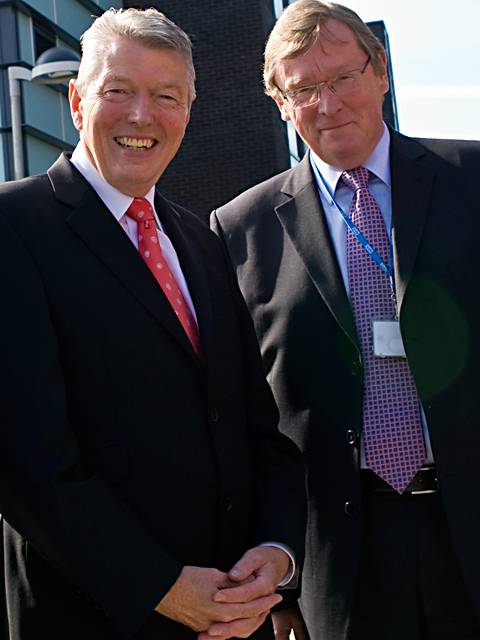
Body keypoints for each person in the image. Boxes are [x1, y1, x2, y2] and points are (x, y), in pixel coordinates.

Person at [0, 8, 306, 640]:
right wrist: (159, 585)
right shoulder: (15, 228)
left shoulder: (200, 240)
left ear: (188, 114)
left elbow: (255, 423)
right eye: (119, 91)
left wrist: (276, 554)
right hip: (91, 615)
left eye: (166, 96)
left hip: (228, 617)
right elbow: (26, 458)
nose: (142, 116)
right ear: (79, 102)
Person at [211, 1, 480, 639]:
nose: (327, 105)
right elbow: (245, 418)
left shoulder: (471, 180)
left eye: (342, 79)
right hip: (339, 558)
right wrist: (280, 580)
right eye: (303, 88)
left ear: (380, 70)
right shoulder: (239, 231)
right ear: (279, 102)